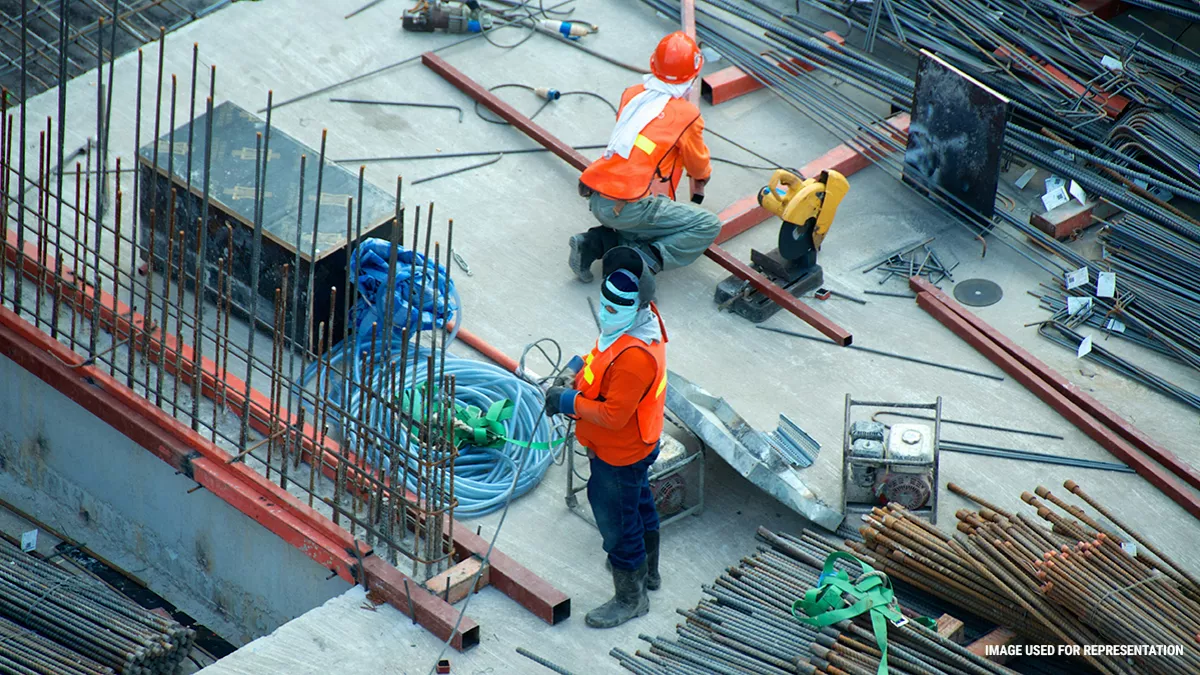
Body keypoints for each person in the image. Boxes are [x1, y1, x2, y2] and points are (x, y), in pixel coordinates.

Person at [545, 247, 668, 628]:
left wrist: (568, 400)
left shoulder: (635, 357)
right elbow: (602, 356)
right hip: (634, 447)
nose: (607, 314)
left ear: (638, 305)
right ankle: (648, 573)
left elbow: (614, 416)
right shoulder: (635, 325)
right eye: (605, 305)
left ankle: (631, 599)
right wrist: (576, 370)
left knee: (618, 525)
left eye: (616, 308)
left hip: (620, 453)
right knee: (639, 504)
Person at [570, 31, 722, 282]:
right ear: (693, 76)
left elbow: (640, 141)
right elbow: (697, 164)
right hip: (628, 205)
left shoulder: (633, 94)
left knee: (645, 220)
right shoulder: (687, 115)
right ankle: (644, 260)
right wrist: (702, 177)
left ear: (654, 64)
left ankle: (592, 244)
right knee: (706, 225)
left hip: (597, 194)